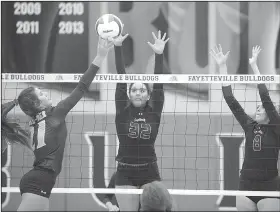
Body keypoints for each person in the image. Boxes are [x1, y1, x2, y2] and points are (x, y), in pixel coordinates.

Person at [1, 38, 113, 211]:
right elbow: (82, 87)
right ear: (38, 105)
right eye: (42, 94)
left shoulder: (34, 121)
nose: (46, 94)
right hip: (40, 180)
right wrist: (100, 56)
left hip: (39, 179)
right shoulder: (55, 114)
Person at [210, 45, 280, 211]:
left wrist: (254, 66)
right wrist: (222, 66)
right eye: (257, 106)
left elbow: (265, 96)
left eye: (262, 107)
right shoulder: (250, 126)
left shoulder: (276, 127)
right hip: (246, 186)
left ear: (272, 113)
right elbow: (230, 99)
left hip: (269, 188)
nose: (258, 108)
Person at [108, 30, 169, 211]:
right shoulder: (122, 111)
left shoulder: (154, 111)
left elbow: (158, 84)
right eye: (134, 89)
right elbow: (121, 77)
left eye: (142, 90)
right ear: (129, 93)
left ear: (148, 95)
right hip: (125, 172)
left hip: (150, 170)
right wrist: (117, 47)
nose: (138, 92)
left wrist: (159, 54)